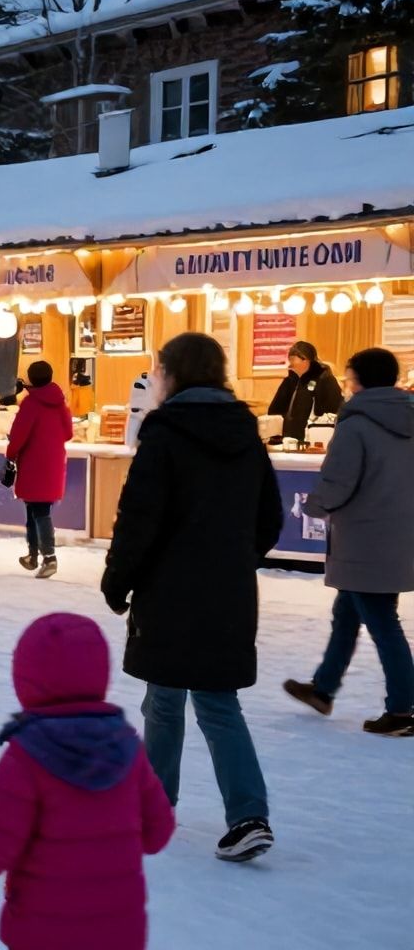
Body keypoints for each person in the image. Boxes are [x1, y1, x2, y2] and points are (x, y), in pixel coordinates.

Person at [101, 331, 281, 862]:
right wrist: (229, 560)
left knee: (164, 699)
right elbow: (269, 519)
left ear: (172, 374)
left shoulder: (165, 433)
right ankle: (248, 814)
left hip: (169, 591)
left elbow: (139, 518)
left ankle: (153, 807)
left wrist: (118, 580)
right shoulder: (246, 434)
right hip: (227, 591)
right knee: (219, 703)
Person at [0, 613, 175, 948]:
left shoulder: (26, 756)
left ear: (26, 677)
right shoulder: (126, 748)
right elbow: (158, 832)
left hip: (41, 933)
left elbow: (0, 836)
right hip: (118, 933)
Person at [284, 347, 414, 736]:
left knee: (381, 621)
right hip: (397, 535)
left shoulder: (355, 424)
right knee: (348, 612)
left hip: (363, 537)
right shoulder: (407, 417)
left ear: (358, 380)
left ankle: (404, 708)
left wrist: (316, 507)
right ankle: (323, 688)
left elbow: (338, 481)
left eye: (348, 375)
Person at [4, 361, 72, 579]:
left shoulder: (30, 404)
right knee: (36, 509)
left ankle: (49, 557)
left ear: (31, 379)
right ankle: (33, 555)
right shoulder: (60, 403)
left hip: (33, 463)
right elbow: (69, 433)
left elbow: (18, 435)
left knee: (39, 512)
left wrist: (10, 454)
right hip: (53, 462)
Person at [267, 340, 344, 444]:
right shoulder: (290, 381)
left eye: (293, 359)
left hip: (314, 437)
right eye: (290, 359)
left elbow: (334, 409)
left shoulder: (325, 379)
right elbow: (274, 410)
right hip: (289, 439)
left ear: (306, 360)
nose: (290, 363)